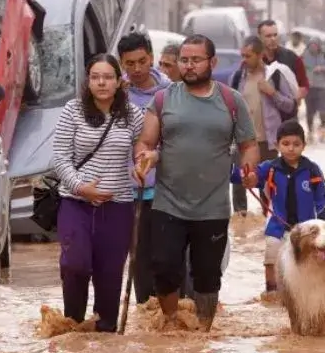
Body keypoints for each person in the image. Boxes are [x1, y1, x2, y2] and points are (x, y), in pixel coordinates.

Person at [134, 34, 259, 332]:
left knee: (207, 276)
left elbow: (248, 144)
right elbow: (146, 142)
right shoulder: (164, 99)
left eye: (195, 60)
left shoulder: (231, 100)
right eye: (184, 60)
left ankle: (203, 332)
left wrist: (249, 169)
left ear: (212, 62)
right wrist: (144, 158)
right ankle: (172, 323)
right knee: (164, 268)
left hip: (212, 207)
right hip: (168, 202)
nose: (188, 66)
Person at [52, 53, 144, 332]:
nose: (101, 83)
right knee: (74, 265)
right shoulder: (73, 110)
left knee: (110, 276)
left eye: (107, 77)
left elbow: (145, 148)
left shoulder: (133, 115)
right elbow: (60, 158)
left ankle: (104, 338)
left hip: (118, 208)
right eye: (95, 77)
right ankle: (74, 326)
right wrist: (82, 188)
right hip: (75, 203)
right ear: (88, 81)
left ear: (119, 82)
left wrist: (142, 164)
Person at [238, 120, 325, 301]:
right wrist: (248, 177)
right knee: (271, 256)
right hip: (277, 226)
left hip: (306, 229)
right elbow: (253, 176)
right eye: (286, 144)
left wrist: (324, 220)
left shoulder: (312, 170)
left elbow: (323, 197)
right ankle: (272, 292)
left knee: (309, 260)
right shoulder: (270, 168)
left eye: (296, 144)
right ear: (277, 145)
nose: (291, 148)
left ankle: (308, 293)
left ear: (304, 146)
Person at [117, 32, 172, 305]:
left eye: (142, 61)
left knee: (166, 258)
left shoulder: (170, 93)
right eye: (130, 64)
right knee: (137, 259)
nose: (137, 69)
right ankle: (144, 312)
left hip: (165, 190)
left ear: (151, 58)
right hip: (128, 191)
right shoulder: (115, 95)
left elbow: (177, 141)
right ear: (121, 64)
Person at [232, 35, 296, 167]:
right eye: (242, 56)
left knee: (268, 185)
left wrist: (272, 93)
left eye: (248, 56)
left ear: (260, 55)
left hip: (267, 143)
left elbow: (290, 106)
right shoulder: (238, 78)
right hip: (243, 141)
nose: (244, 60)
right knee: (239, 184)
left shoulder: (274, 76)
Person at [258, 19, 308, 100]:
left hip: (286, 109)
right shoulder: (255, 59)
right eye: (268, 36)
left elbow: (304, 85)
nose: (273, 39)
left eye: (275, 35)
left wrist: (294, 101)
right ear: (260, 37)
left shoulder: (291, 58)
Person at [302, 37, 325, 142]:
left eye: (315, 45)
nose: (313, 47)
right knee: (309, 111)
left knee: (323, 110)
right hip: (309, 87)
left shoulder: (324, 54)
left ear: (319, 46)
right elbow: (299, 69)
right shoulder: (304, 55)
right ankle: (310, 132)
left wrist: (322, 68)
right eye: (311, 45)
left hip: (322, 86)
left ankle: (323, 130)